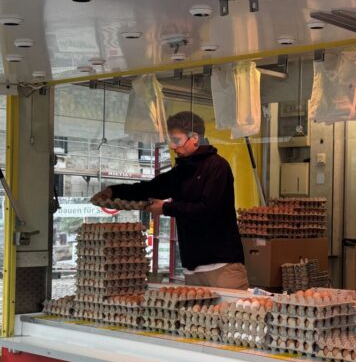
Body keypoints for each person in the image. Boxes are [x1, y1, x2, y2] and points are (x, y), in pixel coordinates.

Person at [91, 111, 248, 290]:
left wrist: (165, 208)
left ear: (194, 138)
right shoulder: (182, 171)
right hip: (192, 266)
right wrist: (114, 191)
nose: (173, 146)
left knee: (232, 315)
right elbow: (149, 189)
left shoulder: (217, 166)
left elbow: (208, 210)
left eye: (177, 140)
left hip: (222, 265)